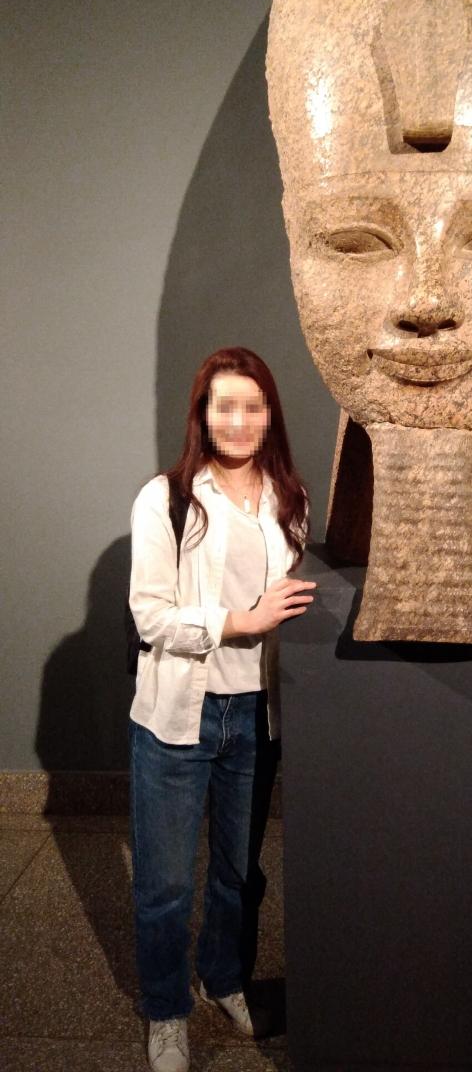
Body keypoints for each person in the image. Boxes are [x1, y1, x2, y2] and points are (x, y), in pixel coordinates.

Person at [128, 346, 315, 1072]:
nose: (239, 421)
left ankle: (223, 977)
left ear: (270, 415)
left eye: (253, 406)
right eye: (224, 406)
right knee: (166, 884)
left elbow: (292, 605)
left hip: (256, 715)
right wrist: (241, 620)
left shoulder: (289, 498)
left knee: (239, 873)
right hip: (180, 714)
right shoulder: (166, 498)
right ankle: (166, 1011)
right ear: (203, 415)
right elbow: (151, 617)